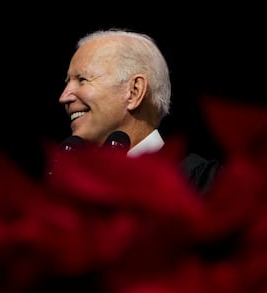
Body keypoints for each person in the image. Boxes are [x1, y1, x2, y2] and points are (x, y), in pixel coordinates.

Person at [56, 27, 221, 193]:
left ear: (134, 91)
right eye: (67, 81)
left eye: (82, 79)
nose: (64, 97)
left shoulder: (201, 185)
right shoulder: (70, 191)